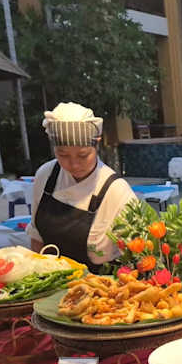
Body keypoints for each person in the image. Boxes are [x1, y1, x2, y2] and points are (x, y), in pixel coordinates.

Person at [27, 102, 136, 269]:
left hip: (100, 281)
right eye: (63, 155)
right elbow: (36, 237)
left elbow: (137, 253)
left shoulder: (116, 191)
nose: (74, 164)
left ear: (97, 144)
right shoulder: (46, 175)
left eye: (83, 155)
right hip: (52, 277)